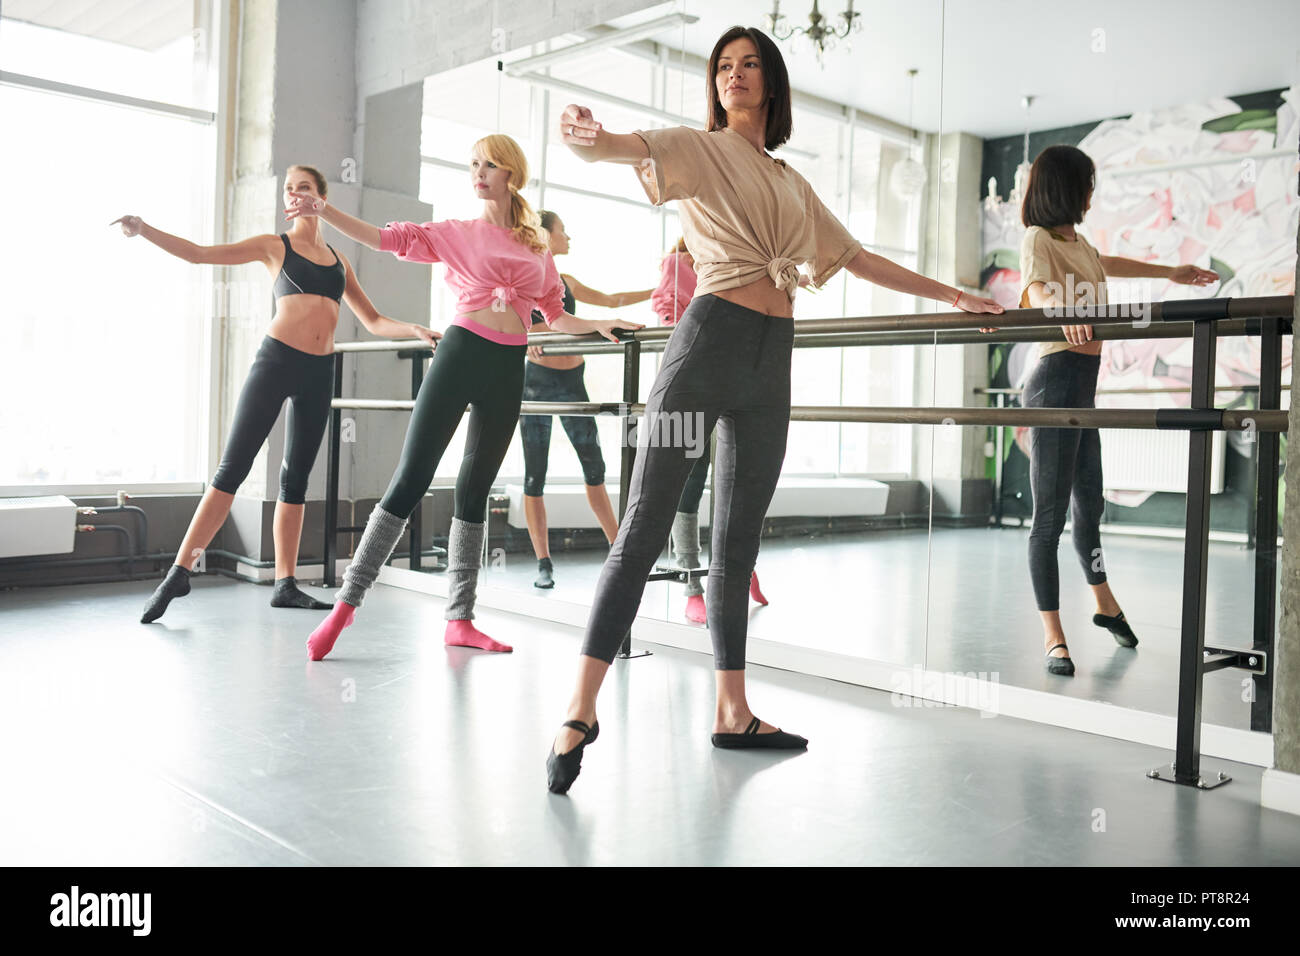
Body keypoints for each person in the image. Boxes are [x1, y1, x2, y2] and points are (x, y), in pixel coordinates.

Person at [545, 26, 1003, 794]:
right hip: (707, 345)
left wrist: (954, 294)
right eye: (723, 66)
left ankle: (732, 710)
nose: (734, 75)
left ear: (772, 82)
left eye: (749, 64)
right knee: (646, 522)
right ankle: (580, 707)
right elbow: (623, 147)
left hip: (771, 364)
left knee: (738, 542)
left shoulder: (790, 183)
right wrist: (587, 139)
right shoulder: (702, 147)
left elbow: (857, 257)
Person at [289, 135, 642, 660]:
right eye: (473, 164)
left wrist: (600, 322)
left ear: (511, 175)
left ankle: (460, 617)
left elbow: (555, 315)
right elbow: (383, 238)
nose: (478, 173)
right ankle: (344, 608)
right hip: (460, 354)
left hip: (507, 366)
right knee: (411, 480)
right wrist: (326, 210)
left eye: (489, 165)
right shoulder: (456, 233)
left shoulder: (536, 246)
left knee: (474, 493)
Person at [115, 164, 438, 624]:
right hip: (276, 362)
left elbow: (372, 320)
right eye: (288, 189)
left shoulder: (338, 261)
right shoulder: (274, 247)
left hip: (319, 371)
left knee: (296, 480)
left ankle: (285, 584)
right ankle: (178, 572)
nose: (294, 194)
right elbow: (200, 255)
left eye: (302, 187)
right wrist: (144, 229)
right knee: (232, 470)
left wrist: (413, 330)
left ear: (320, 196)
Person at [1018, 144, 1218, 675]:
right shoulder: (1037, 240)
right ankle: (1053, 636)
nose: (1091, 193)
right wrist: (1058, 310)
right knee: (1050, 519)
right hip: (1054, 384)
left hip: (1083, 388)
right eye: (1087, 183)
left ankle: (1105, 606)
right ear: (1065, 186)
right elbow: (1035, 287)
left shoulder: (1078, 244)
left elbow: (1108, 263)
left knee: (1090, 507)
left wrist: (1170, 272)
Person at [521, 211, 653, 588]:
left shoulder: (567, 281)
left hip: (572, 383)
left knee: (594, 468)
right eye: (563, 230)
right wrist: (529, 334)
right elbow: (509, 318)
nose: (568, 237)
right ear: (546, 234)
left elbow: (612, 300)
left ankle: (617, 548)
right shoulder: (523, 277)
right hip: (537, 385)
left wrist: (658, 291)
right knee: (535, 474)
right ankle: (543, 561)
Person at [653, 239, 769, 623]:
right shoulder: (678, 262)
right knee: (690, 476)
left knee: (737, 478)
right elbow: (668, 312)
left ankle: (738, 567)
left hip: (739, 374)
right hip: (692, 375)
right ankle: (691, 582)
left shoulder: (743, 259)